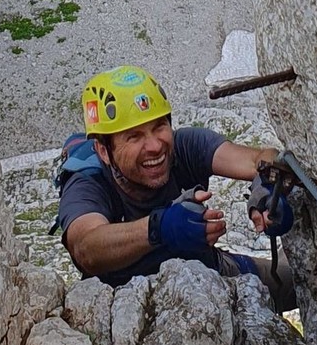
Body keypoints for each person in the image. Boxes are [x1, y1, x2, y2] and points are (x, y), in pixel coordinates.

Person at [60, 66, 295, 309]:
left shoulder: (185, 147)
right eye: (134, 136)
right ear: (103, 151)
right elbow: (86, 247)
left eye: (159, 126)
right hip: (125, 305)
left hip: (210, 272)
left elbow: (260, 159)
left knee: (302, 285)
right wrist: (160, 228)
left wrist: (266, 188)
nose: (154, 146)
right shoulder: (88, 182)